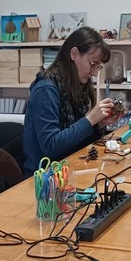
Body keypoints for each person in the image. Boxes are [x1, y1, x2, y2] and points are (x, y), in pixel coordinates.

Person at [22, 27, 117, 177]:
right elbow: (51, 146)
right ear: (74, 54)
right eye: (92, 63)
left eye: (98, 66)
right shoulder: (45, 90)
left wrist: (99, 124)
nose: (94, 72)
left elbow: (76, 140)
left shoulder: (76, 86)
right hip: (44, 179)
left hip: (68, 169)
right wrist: (90, 120)